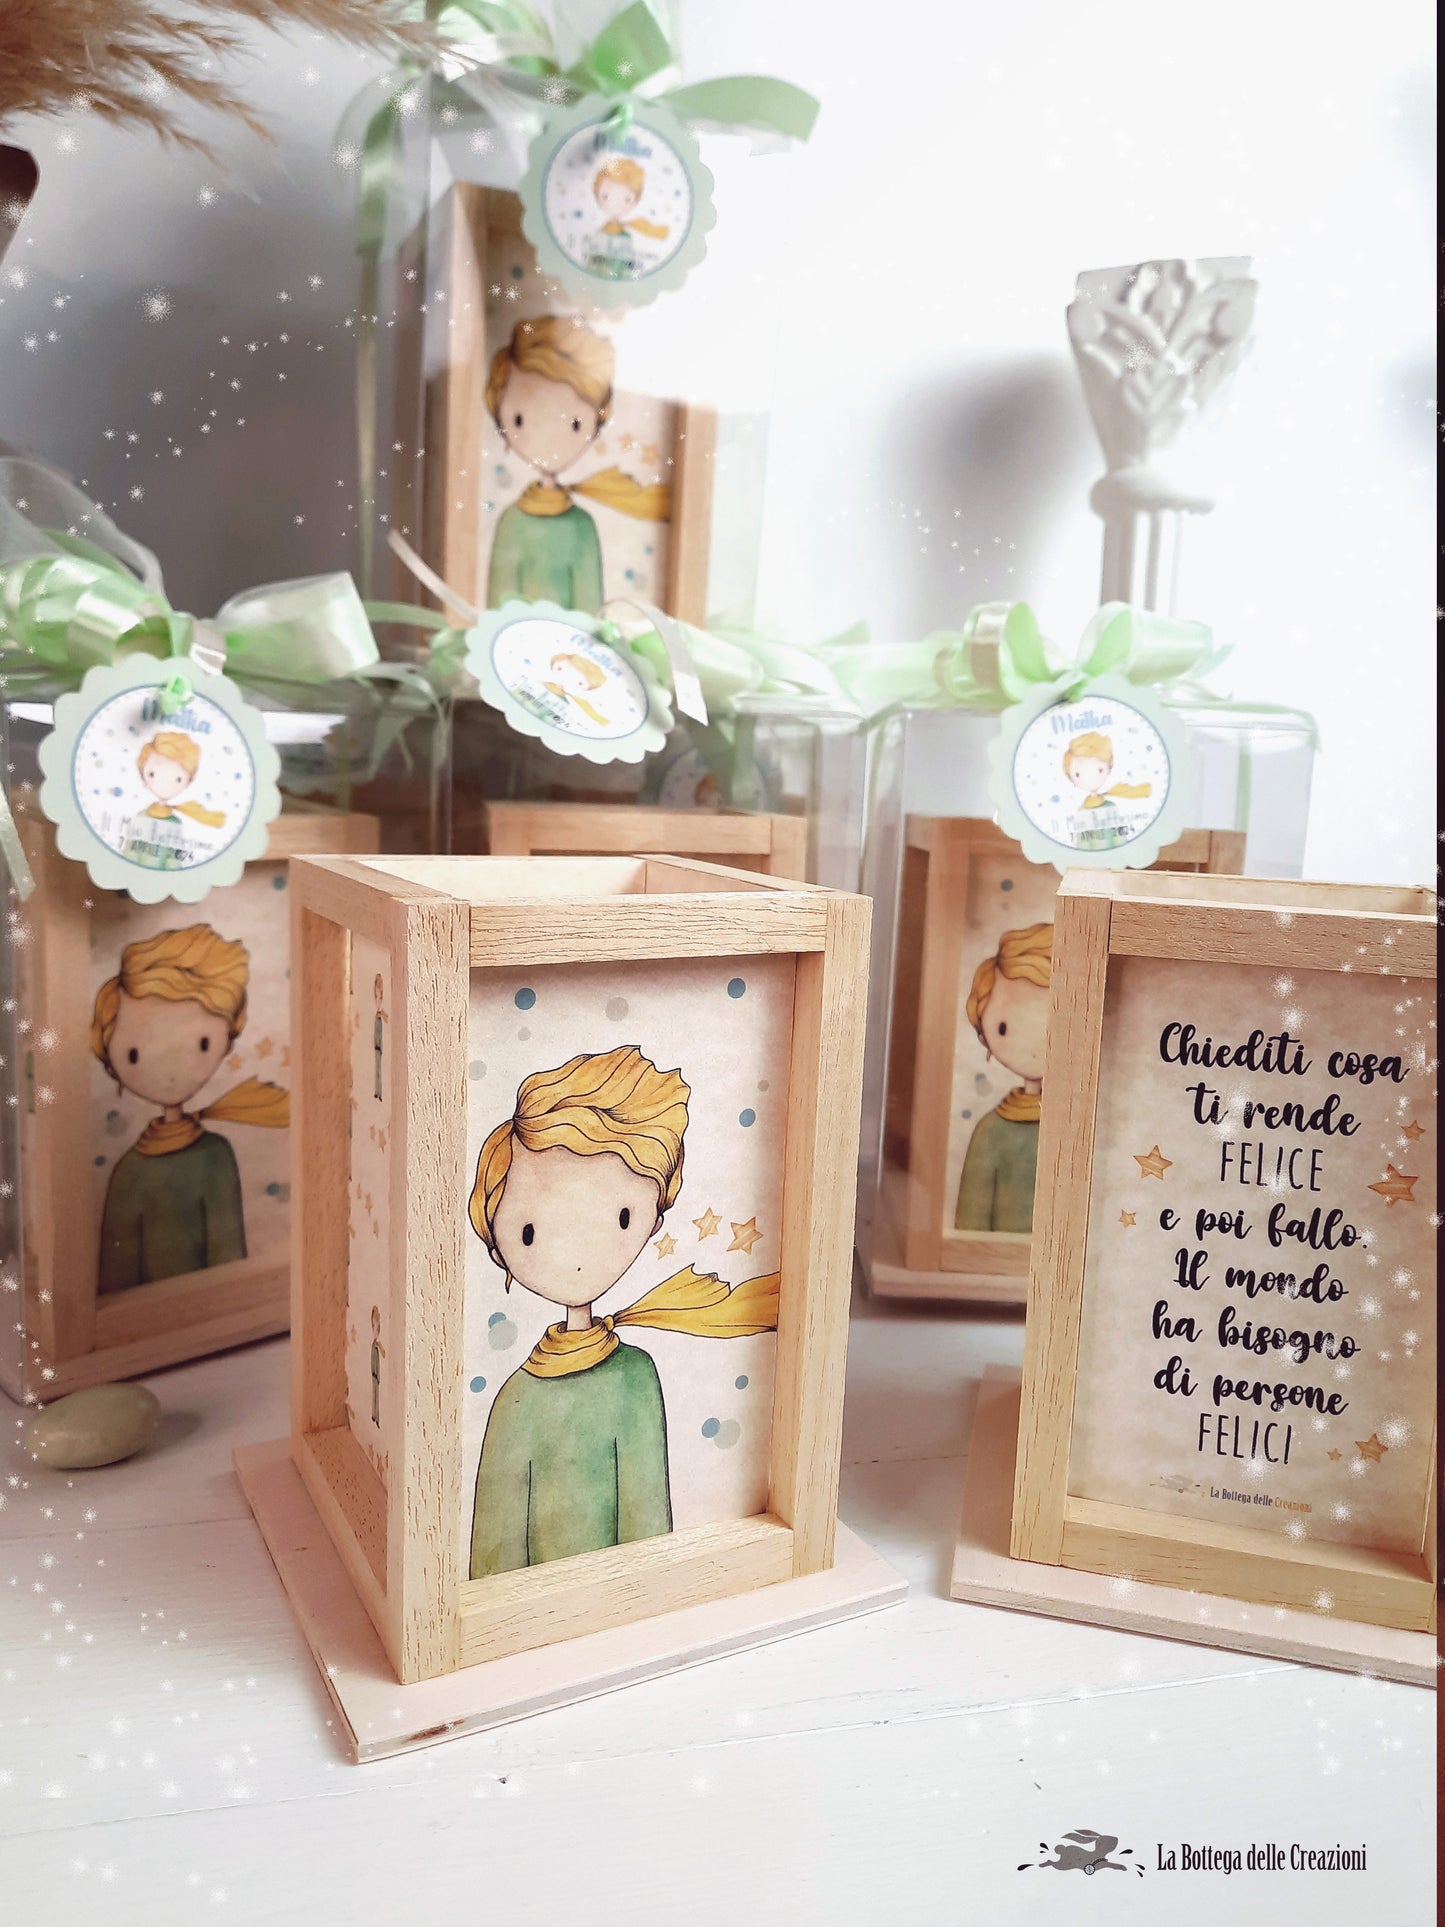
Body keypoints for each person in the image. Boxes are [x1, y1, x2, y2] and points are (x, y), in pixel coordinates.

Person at [466, 1045, 777, 1577]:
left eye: (619, 1216)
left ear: (652, 1219)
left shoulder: (634, 1378)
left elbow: (647, 1528)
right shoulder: (515, 1401)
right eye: (530, 1231)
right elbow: (492, 1556)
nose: (575, 1253)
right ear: (499, 1245)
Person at [90, 924, 289, 1292]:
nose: (169, 1071)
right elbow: (116, 1277)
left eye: (201, 1043)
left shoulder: (215, 1155)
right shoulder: (129, 1172)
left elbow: (229, 1257)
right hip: (141, 1322)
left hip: (218, 1311)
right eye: (134, 1054)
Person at [484, 315, 670, 613]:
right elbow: (498, 603)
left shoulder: (581, 526)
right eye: (520, 420)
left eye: (574, 424)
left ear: (596, 422)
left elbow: (589, 607)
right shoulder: (512, 522)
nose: (547, 440)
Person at [953, 923, 1052, 1235]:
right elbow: (971, 1221)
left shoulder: (1080, 1129)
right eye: (1004, 1027)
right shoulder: (992, 1131)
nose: (1031, 1044)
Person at [121, 730, 226, 871]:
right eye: (152, 774)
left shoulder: (175, 823)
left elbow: (173, 858)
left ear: (189, 780)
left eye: (178, 779)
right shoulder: (141, 817)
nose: (164, 785)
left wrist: (172, 877)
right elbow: (130, 851)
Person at [1061, 730, 1151, 851]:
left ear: (1109, 767)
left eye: (1100, 770)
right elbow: (1082, 840)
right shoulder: (1082, 811)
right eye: (1078, 774)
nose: (1090, 779)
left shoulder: (1110, 806)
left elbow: (1119, 835)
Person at [587, 156, 670, 279]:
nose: (615, 204)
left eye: (627, 199)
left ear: (637, 199)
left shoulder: (625, 236)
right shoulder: (600, 232)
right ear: (596, 193)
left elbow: (626, 263)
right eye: (605, 196)